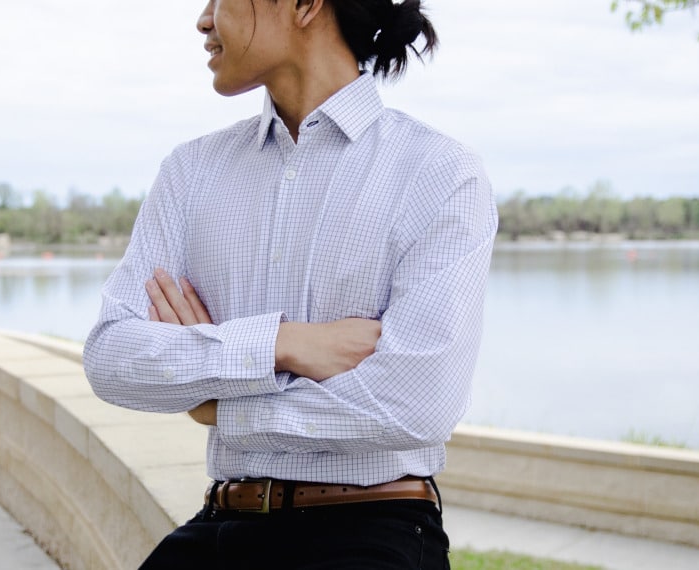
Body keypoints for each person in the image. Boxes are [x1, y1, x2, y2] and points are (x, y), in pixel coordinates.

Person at [83, 0, 497, 567]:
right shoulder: (190, 171)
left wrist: (220, 404)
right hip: (221, 522)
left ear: (303, 5)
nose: (204, 20)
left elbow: (415, 403)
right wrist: (285, 345)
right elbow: (111, 356)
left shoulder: (439, 173)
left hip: (373, 529)